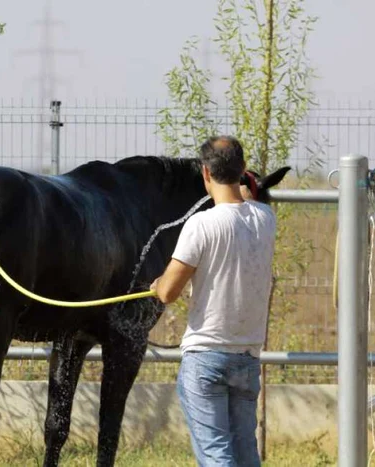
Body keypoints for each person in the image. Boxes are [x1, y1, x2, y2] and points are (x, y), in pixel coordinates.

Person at [150, 136, 276, 467]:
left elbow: (167, 292)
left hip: (206, 358)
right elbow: (249, 201)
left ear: (205, 173)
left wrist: (157, 283)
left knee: (217, 455)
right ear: (243, 170)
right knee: (245, 451)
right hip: (247, 357)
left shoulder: (201, 225)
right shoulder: (266, 219)